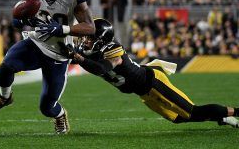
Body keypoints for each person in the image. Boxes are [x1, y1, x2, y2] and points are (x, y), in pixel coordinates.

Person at [0, 0, 95, 134]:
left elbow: (90, 28)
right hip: (36, 43)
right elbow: (23, 10)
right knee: (6, 66)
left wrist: (63, 29)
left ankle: (60, 115)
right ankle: (5, 97)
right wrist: (20, 20)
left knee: (47, 108)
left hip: (59, 53)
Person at [71, 18, 239, 128]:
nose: (86, 40)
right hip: (143, 93)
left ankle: (236, 112)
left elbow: (101, 69)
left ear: (101, 40)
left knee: (192, 111)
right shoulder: (94, 51)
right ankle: (222, 117)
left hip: (153, 83)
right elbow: (88, 64)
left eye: (90, 38)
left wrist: (79, 59)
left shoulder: (113, 50)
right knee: (179, 118)